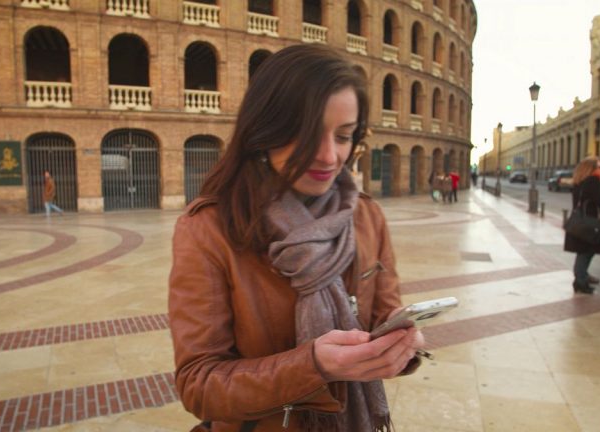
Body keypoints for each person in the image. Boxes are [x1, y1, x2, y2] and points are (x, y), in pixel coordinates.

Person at [168, 44, 425, 432]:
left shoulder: (366, 216)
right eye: (307, 135)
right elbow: (199, 385)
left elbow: (383, 314)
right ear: (265, 130)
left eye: (344, 136)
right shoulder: (209, 228)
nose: (329, 156)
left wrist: (399, 343)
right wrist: (313, 366)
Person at [563, 157, 600, 295]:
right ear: (591, 169)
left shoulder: (580, 181)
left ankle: (582, 276)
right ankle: (580, 282)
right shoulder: (593, 182)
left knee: (583, 252)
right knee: (586, 252)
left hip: (582, 223)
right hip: (589, 225)